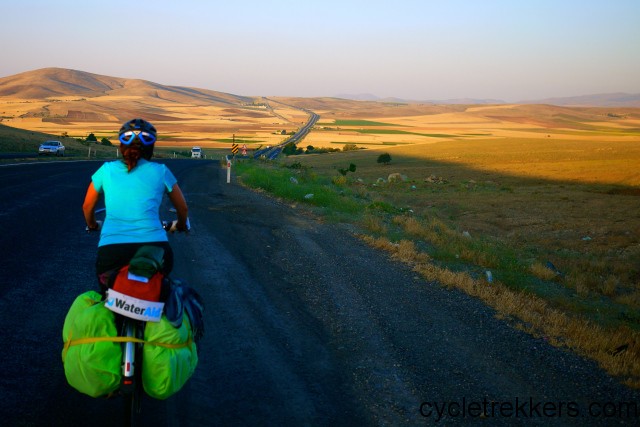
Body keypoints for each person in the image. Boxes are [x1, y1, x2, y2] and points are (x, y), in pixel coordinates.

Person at [82, 118, 189, 288]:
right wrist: (182, 224)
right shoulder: (161, 171)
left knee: (108, 300)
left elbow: (87, 206)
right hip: (155, 248)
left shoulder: (106, 170)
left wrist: (92, 224)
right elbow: (182, 207)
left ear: (122, 146)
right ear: (150, 148)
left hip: (112, 251)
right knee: (159, 295)